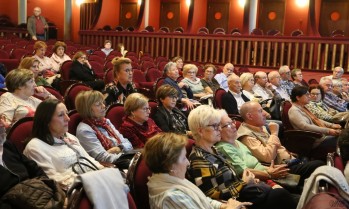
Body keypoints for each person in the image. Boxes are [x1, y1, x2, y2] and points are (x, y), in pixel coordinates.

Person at [187, 105, 298, 209]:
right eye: (215, 126)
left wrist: (249, 181)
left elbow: (232, 177)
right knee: (282, 195)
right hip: (238, 201)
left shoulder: (213, 150)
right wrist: (243, 183)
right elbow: (211, 195)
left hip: (248, 190)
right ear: (200, 131)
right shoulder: (199, 159)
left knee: (289, 195)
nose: (220, 129)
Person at [145, 132, 252, 209]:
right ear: (169, 165)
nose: (188, 163)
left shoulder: (171, 178)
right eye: (183, 158)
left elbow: (203, 199)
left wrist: (223, 206)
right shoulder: (172, 196)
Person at [236, 101, 325, 185]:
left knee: (315, 162)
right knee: (319, 165)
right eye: (260, 111)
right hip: (280, 170)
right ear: (250, 116)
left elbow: (275, 146)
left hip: (290, 160)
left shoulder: (258, 126)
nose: (264, 113)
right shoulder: (246, 136)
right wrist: (274, 133)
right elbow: (267, 157)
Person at [23, 99, 104, 191]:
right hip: (73, 193)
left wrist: (104, 172)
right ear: (46, 120)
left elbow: (89, 160)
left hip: (94, 182)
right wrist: (91, 180)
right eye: (61, 115)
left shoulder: (70, 137)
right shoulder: (35, 147)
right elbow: (53, 181)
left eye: (67, 113)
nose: (68, 118)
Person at [216, 111, 289, 182]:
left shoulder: (236, 141)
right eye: (228, 125)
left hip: (268, 171)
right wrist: (269, 174)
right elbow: (244, 172)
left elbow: (257, 165)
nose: (234, 125)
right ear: (218, 130)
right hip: (258, 180)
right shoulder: (224, 147)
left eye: (232, 122)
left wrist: (271, 169)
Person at [75, 90, 133, 165]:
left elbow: (128, 143)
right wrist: (128, 159)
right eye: (98, 104)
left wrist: (119, 148)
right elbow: (102, 157)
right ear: (87, 108)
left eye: (103, 103)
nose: (104, 106)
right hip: (109, 167)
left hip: (121, 160)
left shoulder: (105, 122)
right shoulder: (84, 130)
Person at [288, 86, 339, 159]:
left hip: (317, 135)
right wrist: (327, 130)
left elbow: (316, 119)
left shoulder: (302, 107)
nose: (309, 96)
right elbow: (304, 126)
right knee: (339, 139)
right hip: (311, 139)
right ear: (298, 97)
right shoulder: (294, 110)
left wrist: (332, 125)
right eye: (306, 95)